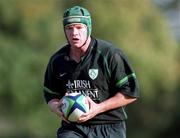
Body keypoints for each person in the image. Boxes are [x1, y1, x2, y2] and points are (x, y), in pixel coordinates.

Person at [43, 5, 139, 138]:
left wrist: (97, 108)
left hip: (109, 127)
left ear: (88, 28)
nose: (74, 33)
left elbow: (130, 93)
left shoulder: (110, 54)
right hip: (73, 127)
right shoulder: (57, 60)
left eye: (79, 27)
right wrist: (57, 108)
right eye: (69, 28)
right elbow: (50, 94)